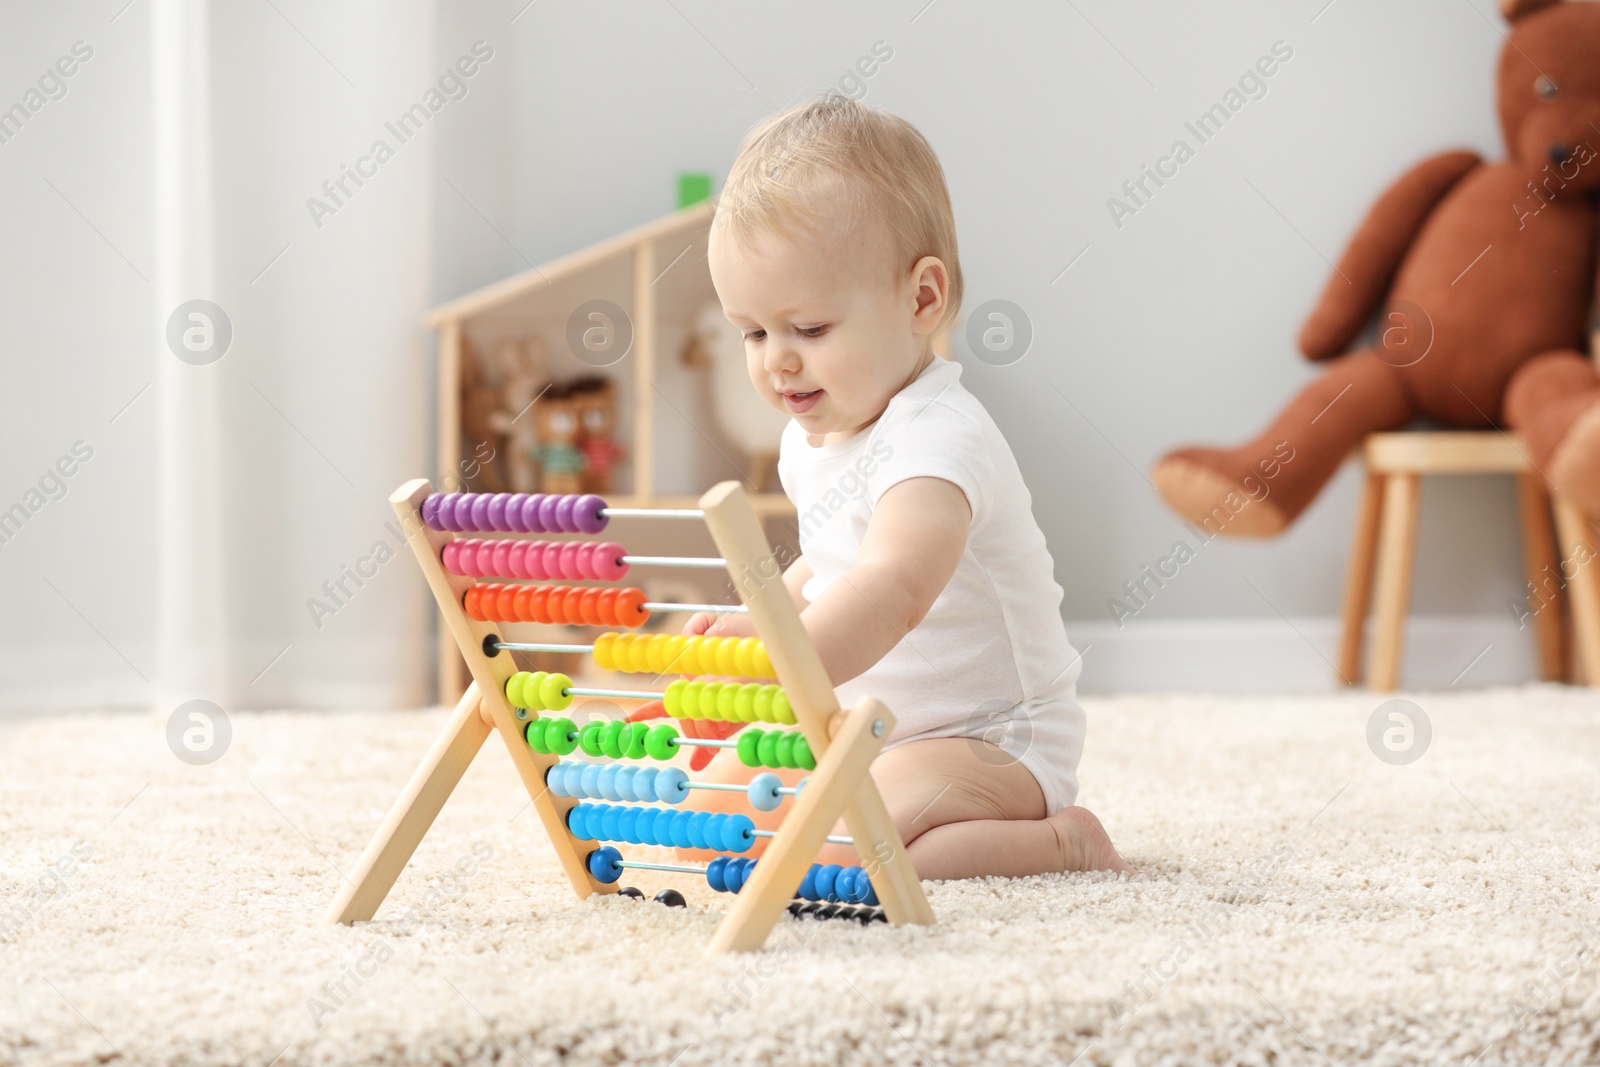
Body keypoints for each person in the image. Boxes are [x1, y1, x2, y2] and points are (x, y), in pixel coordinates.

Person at [634, 94, 1132, 881]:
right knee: (705, 826)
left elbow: (890, 585)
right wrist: (753, 623)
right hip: (862, 723)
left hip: (989, 740)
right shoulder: (815, 437)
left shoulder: (939, 440)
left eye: (810, 328)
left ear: (921, 300)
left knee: (848, 844)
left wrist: (775, 660)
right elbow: (829, 570)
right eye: (755, 333)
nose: (776, 361)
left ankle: (1062, 841)